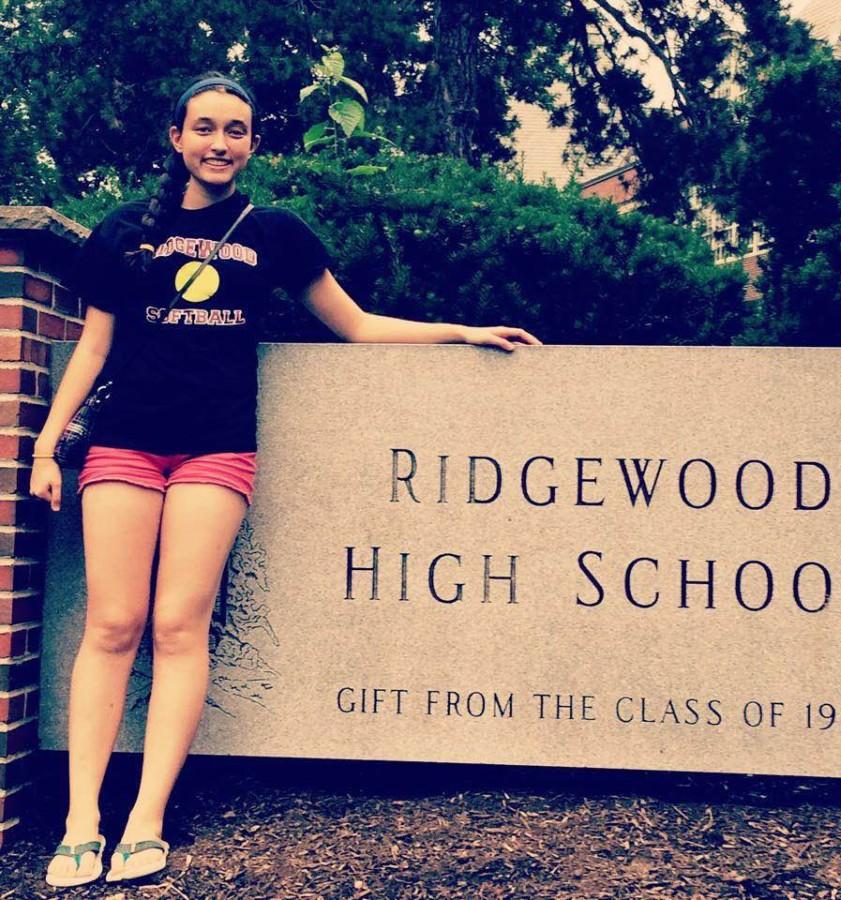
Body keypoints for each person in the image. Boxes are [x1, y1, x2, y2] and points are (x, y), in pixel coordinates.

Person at [30, 71, 540, 887]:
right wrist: (48, 445)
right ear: (176, 137)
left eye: (236, 130)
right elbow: (93, 349)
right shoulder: (124, 233)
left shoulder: (273, 231)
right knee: (112, 624)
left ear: (253, 143)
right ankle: (80, 823)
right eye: (205, 128)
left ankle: (145, 821)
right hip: (125, 447)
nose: (219, 143)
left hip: (215, 450)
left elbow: (358, 325)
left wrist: (464, 331)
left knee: (178, 627)